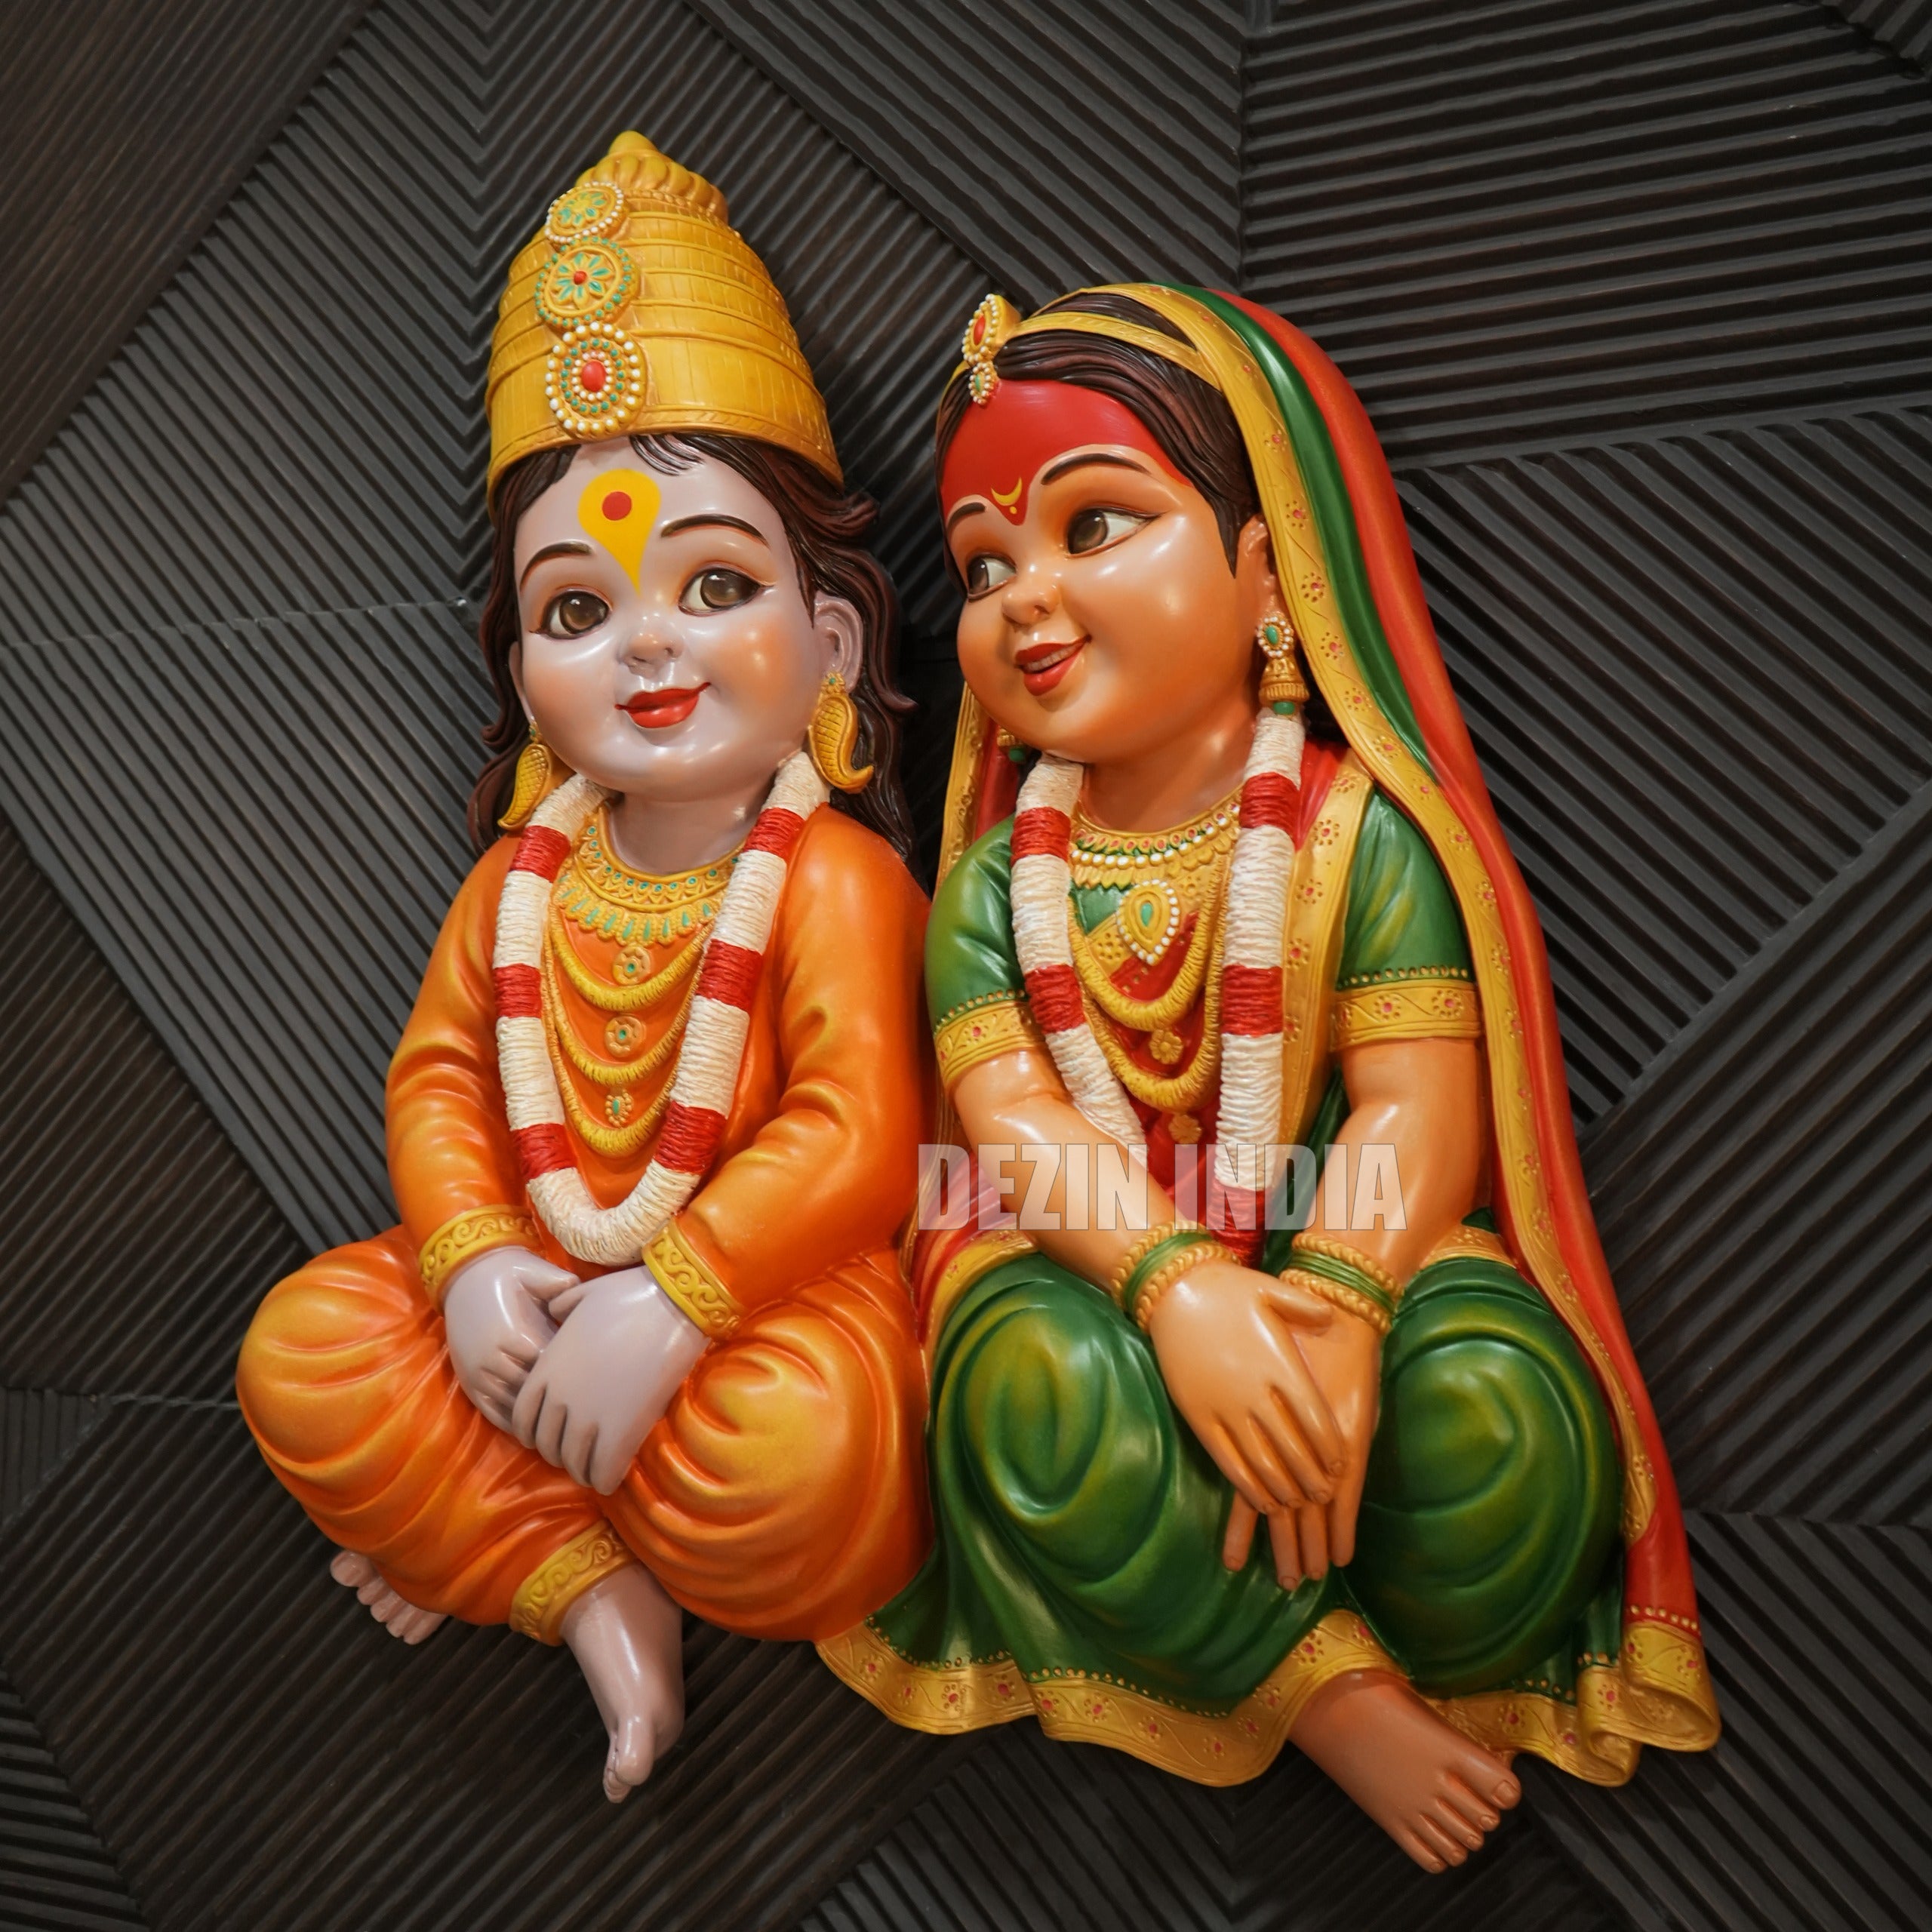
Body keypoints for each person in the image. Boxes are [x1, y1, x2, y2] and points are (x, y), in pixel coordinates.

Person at [820, 285, 1718, 1871]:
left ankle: (1303, 1593)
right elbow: (1010, 1125)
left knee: (1497, 1418)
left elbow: (1414, 1105)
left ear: (1265, 569)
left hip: (1341, 1254)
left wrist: (1337, 1310)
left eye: (1094, 524)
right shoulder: (991, 893)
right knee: (1026, 1385)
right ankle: (1325, 1693)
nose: (1026, 600)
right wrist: (1178, 1293)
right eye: (982, 566)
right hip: (1096, 1275)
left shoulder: (1353, 834)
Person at [237, 134, 931, 1803]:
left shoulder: (835, 876)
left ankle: (493, 1520)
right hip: (528, 1303)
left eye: (715, 582)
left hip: (755, 1314)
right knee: (305, 1350)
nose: (647, 642)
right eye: (575, 608)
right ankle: (589, 1586)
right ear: (523, 673)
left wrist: (671, 1303)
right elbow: (437, 1081)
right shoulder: (518, 884)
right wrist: (477, 1263)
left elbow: (859, 1131)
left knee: (808, 1455)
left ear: (832, 640)